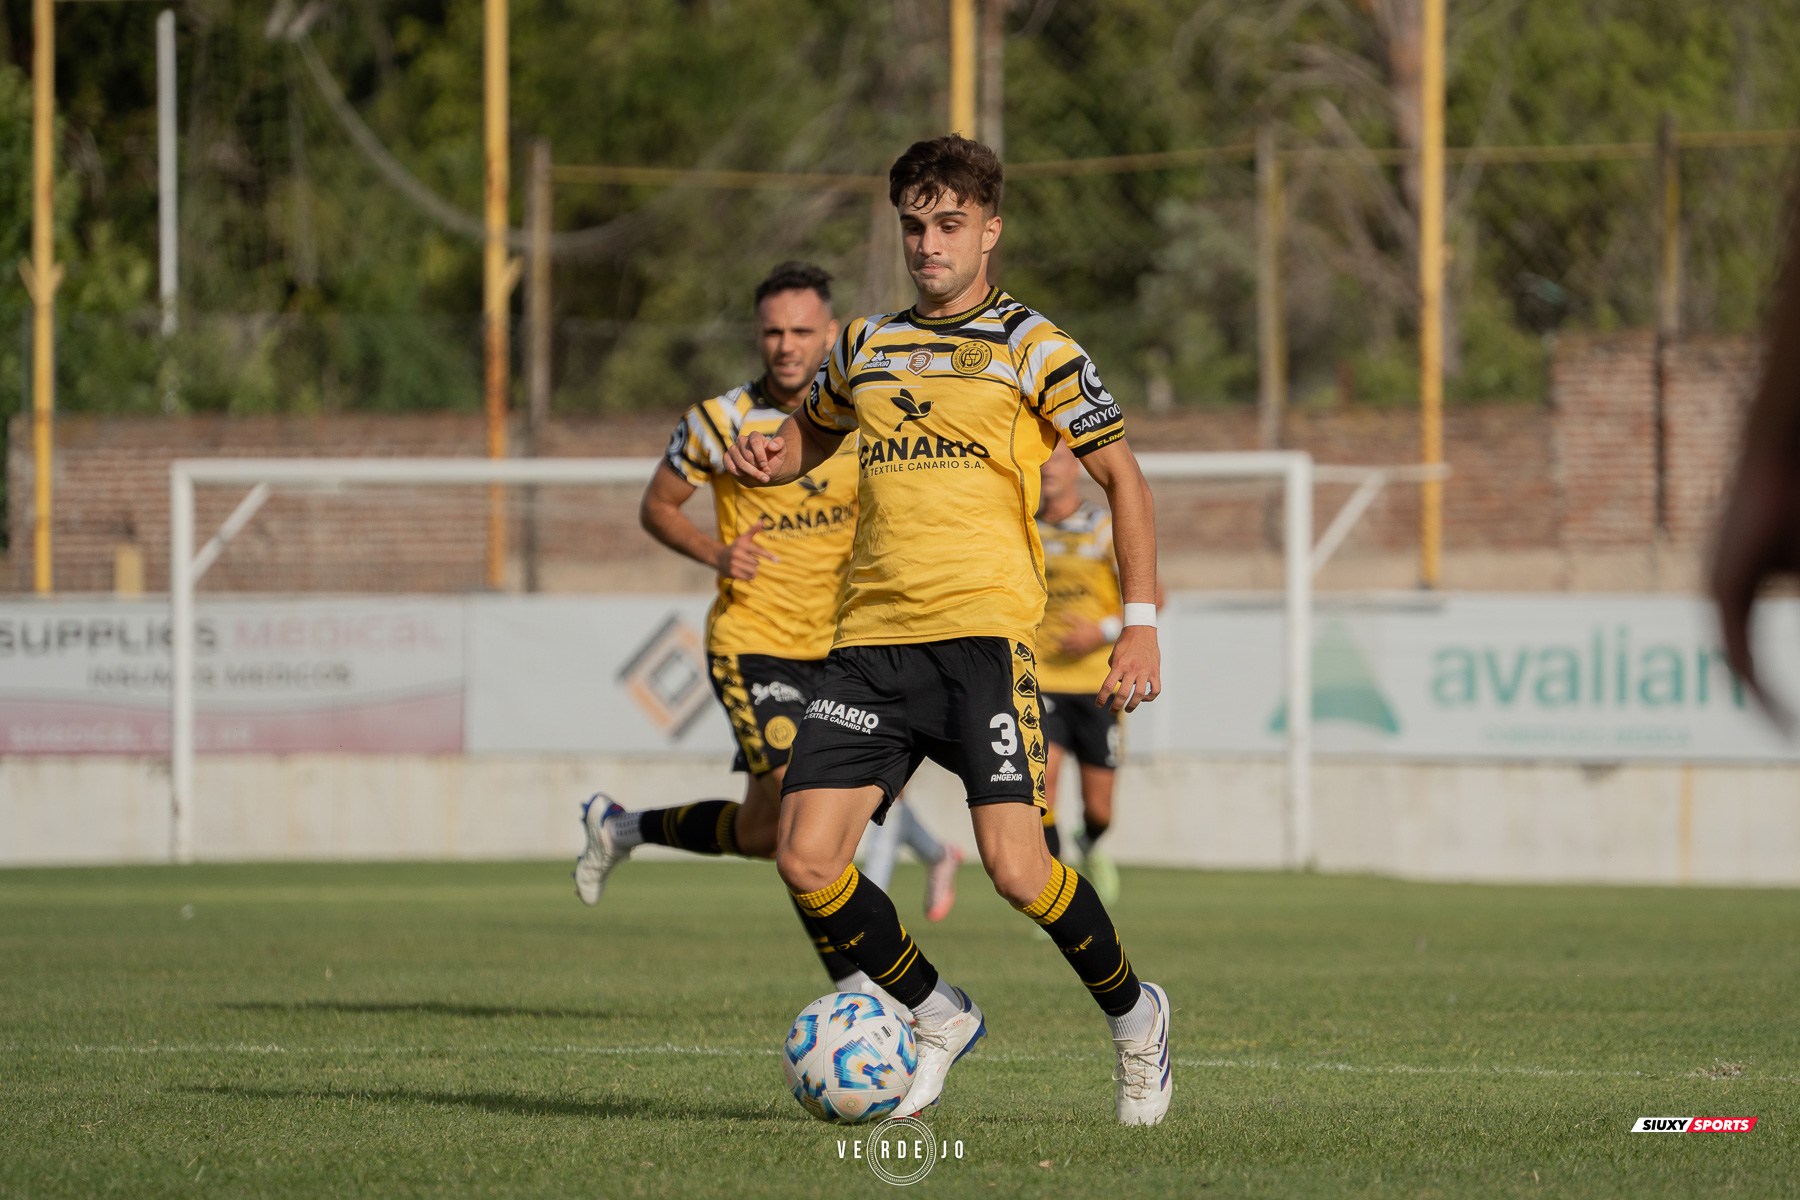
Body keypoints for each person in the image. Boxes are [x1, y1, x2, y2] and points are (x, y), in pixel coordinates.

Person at [725, 135, 1174, 1126]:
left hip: (982, 646)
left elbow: (1122, 477)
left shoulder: (1033, 345)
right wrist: (776, 451)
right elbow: (817, 432)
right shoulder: (863, 343)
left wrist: (1138, 624)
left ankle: (1138, 1018)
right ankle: (936, 1012)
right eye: (915, 226)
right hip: (868, 645)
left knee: (1019, 871)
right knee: (804, 860)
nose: (929, 244)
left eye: (950, 225)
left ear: (990, 230)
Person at [572, 261, 959, 1000]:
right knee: (799, 818)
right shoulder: (717, 422)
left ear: (830, 333)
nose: (786, 345)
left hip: (846, 653)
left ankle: (620, 829)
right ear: (758, 334)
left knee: (760, 834)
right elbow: (657, 506)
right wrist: (717, 552)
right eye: (773, 332)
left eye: (802, 331)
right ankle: (859, 993)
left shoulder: (865, 413)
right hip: (756, 646)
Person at [1034, 440, 1156, 906]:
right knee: (1040, 792)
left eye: (1059, 458)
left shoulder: (1101, 528)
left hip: (1098, 685)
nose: (1048, 467)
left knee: (1099, 809)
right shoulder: (1026, 529)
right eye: (1042, 458)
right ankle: (1055, 899)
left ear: (1077, 468)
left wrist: (1101, 631)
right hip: (1043, 682)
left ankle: (1091, 843)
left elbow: (1155, 597)